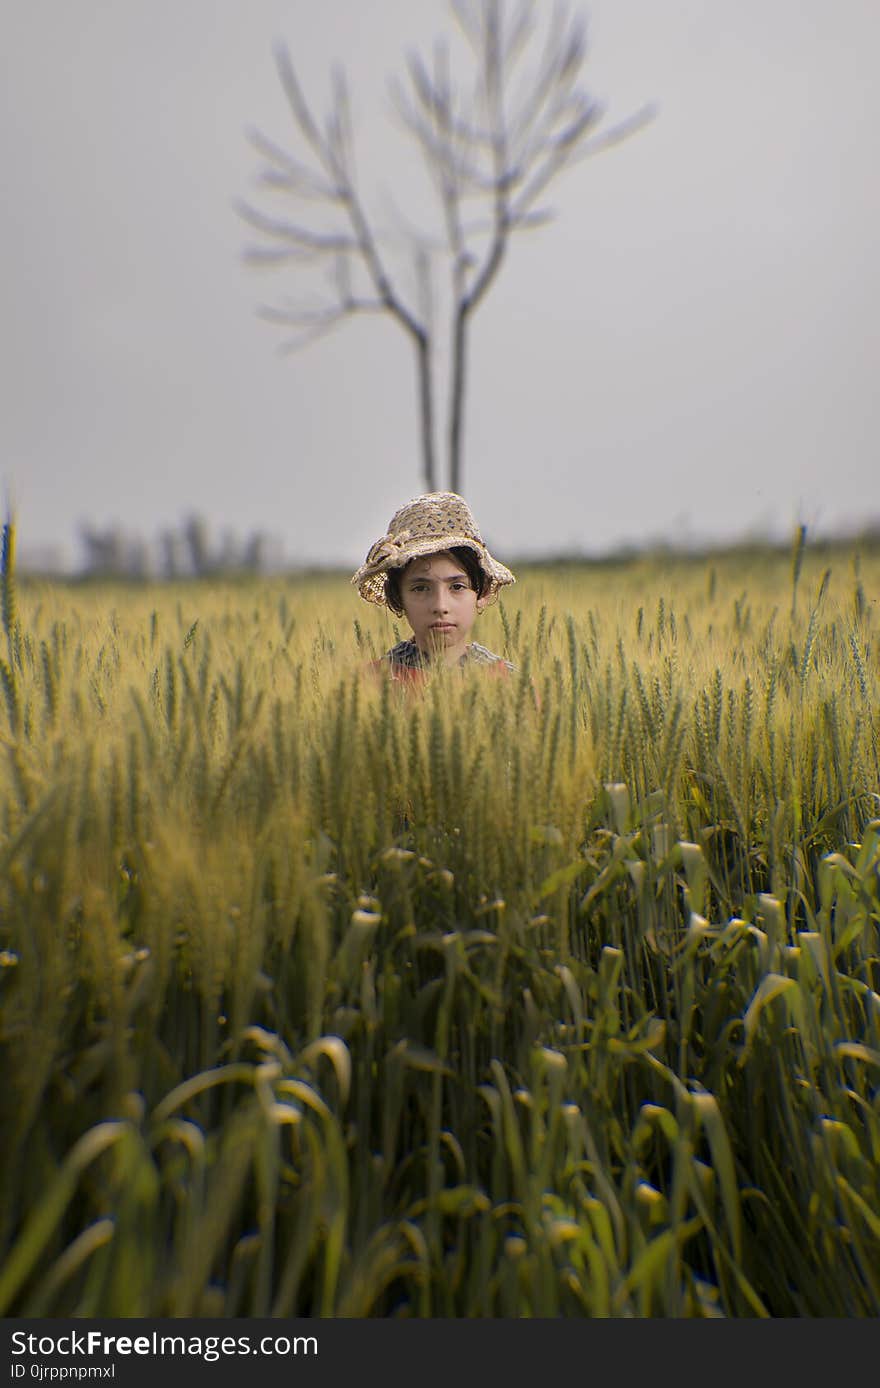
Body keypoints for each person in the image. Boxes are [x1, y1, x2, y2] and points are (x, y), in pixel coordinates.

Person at [351, 491, 517, 686]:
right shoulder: (368, 683)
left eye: (457, 586)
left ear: (484, 591)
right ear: (396, 596)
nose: (440, 606)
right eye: (421, 588)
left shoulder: (513, 684)